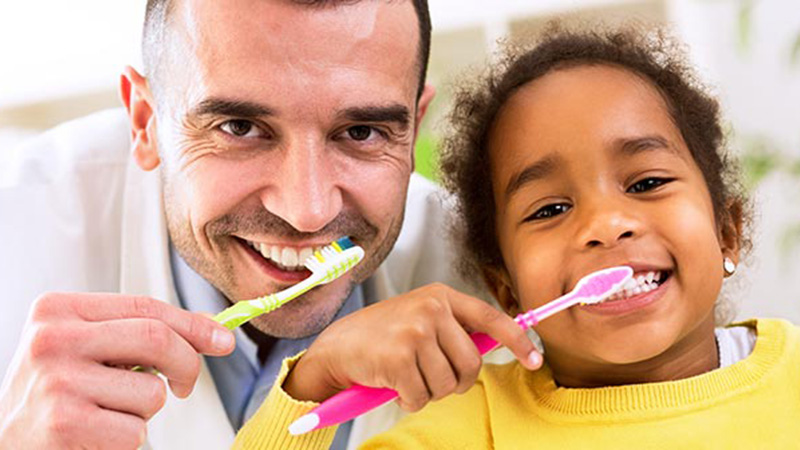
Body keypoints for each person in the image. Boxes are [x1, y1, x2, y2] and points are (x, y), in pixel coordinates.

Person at [0, 1, 542, 448]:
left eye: (362, 132)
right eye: (240, 127)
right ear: (145, 122)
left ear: (414, 125)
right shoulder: (17, 228)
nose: (307, 210)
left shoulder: (498, 275)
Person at [233, 24, 800, 448]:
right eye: (550, 208)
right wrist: (315, 379)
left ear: (728, 232)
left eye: (647, 182)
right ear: (505, 291)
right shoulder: (460, 428)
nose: (606, 225)